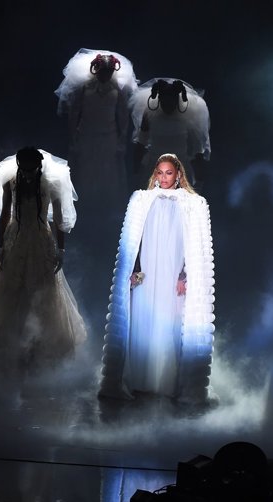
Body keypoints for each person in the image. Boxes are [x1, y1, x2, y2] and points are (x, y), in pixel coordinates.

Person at [98, 153, 215, 404]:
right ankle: (140, 380)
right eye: (160, 172)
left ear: (179, 174)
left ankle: (165, 382)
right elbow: (134, 241)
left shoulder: (193, 204)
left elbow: (195, 245)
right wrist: (134, 269)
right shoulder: (142, 200)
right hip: (147, 272)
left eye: (169, 173)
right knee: (144, 321)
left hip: (172, 271)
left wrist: (185, 274)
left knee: (168, 322)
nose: (164, 178)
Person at [0, 147, 87, 378]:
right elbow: (5, 213)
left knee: (43, 292)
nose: (28, 172)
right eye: (24, 168)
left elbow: (59, 219)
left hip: (41, 240)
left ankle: (38, 352)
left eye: (32, 168)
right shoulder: (11, 183)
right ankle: (12, 349)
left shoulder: (51, 184)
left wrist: (61, 249)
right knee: (13, 290)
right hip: (16, 239)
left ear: (39, 166)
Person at [54, 48, 138, 220]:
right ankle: (85, 206)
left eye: (109, 71)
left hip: (109, 136)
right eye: (103, 71)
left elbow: (123, 116)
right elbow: (74, 113)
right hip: (87, 134)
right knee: (86, 171)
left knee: (107, 172)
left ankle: (104, 206)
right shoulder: (84, 87)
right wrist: (73, 136)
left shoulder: (117, 89)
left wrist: (122, 139)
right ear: (96, 69)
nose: (106, 75)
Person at [130, 78, 210, 190]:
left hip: (180, 171)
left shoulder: (189, 116)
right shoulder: (149, 114)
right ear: (159, 99)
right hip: (154, 170)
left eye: (171, 101)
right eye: (165, 101)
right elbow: (141, 143)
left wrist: (200, 178)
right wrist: (135, 172)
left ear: (177, 100)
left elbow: (198, 150)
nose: (168, 105)